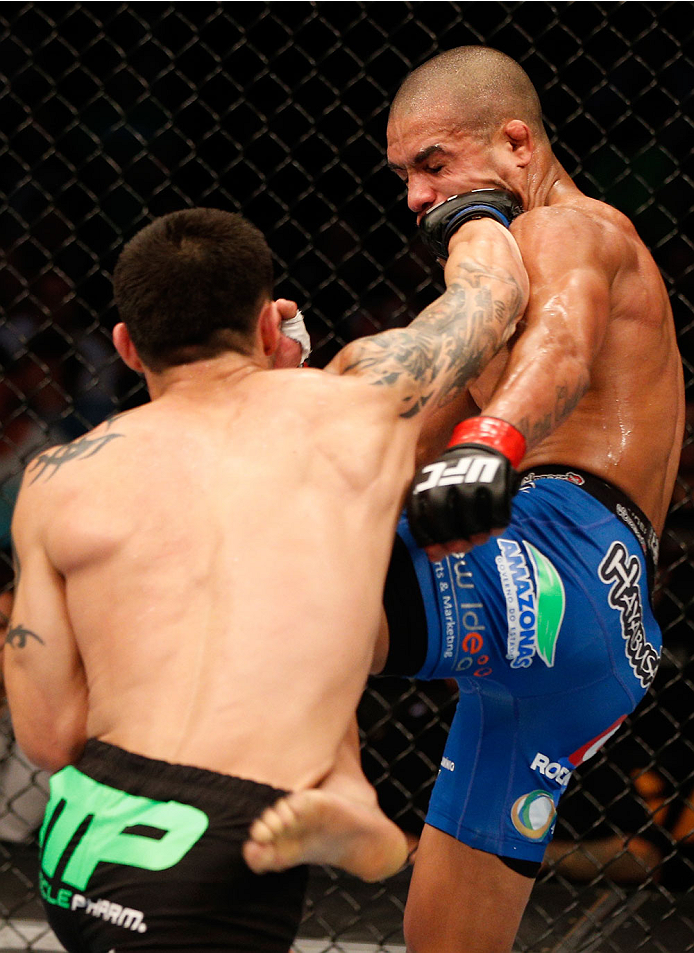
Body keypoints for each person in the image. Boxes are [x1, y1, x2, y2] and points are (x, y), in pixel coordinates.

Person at [2, 205, 527, 953]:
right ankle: (342, 788)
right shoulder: (358, 409)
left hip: (83, 833)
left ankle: (344, 793)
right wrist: (468, 205)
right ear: (266, 327)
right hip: (224, 830)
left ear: (125, 344)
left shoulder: (54, 477)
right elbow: (492, 296)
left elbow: (49, 733)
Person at [375, 45, 685, 953]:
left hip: (565, 553)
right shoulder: (487, 286)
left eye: (435, 165)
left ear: (517, 142)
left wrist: (493, 441)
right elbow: (396, 448)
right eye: (403, 178)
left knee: (283, 586)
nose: (418, 199)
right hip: (589, 638)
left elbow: (562, 348)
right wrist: (287, 396)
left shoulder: (571, 231)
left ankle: (296, 786)